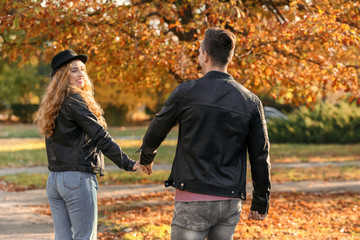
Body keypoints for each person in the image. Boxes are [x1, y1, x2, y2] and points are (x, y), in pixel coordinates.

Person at [139, 27, 271, 239]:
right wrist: (261, 199)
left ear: (205, 56)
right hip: (229, 201)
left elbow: (158, 126)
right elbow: (260, 155)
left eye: (199, 51)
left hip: (192, 197)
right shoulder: (251, 102)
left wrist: (147, 156)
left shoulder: (185, 92)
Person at [34, 49, 143, 240]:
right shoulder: (75, 101)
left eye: (82, 69)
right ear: (62, 76)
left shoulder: (54, 103)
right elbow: (100, 136)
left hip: (54, 181)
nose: (81, 74)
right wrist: (127, 163)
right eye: (74, 70)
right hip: (76, 179)